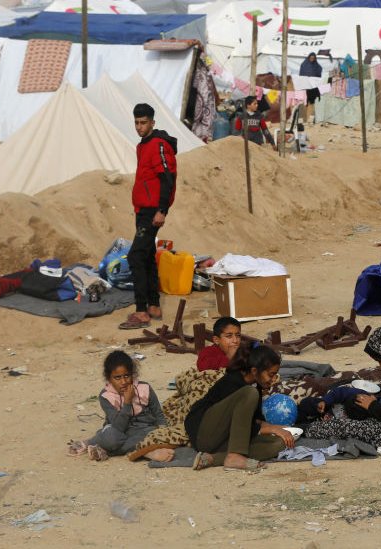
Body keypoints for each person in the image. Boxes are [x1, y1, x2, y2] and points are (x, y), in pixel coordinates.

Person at [186, 345, 295, 471]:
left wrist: (278, 429)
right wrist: (271, 428)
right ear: (254, 371)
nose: (273, 380)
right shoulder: (232, 383)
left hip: (225, 440)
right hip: (204, 434)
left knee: (280, 444)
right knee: (250, 393)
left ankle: (213, 459)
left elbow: (253, 421)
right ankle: (234, 456)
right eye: (271, 375)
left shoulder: (255, 386)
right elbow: (240, 423)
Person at [119, 104, 178, 330]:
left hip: (153, 211)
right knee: (146, 256)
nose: (139, 127)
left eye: (143, 122)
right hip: (143, 209)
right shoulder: (142, 146)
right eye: (136, 122)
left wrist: (162, 210)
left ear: (153, 122)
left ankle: (141, 310)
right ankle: (154, 305)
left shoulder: (159, 145)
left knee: (135, 256)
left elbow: (167, 178)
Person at [67, 351, 173, 461]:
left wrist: (163, 432)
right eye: (117, 378)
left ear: (133, 374)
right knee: (112, 438)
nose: (123, 382)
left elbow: (158, 413)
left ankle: (106, 450)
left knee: (156, 436)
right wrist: (127, 403)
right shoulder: (106, 396)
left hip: (144, 430)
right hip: (119, 430)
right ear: (109, 379)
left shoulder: (145, 388)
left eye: (127, 376)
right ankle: (92, 441)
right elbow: (118, 427)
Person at [299, 52, 323, 124]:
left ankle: (310, 119)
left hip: (313, 87)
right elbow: (301, 75)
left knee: (312, 103)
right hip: (305, 87)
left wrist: (313, 78)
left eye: (313, 58)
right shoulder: (304, 65)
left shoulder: (317, 66)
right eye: (311, 58)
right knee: (304, 103)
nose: (312, 59)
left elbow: (319, 74)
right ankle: (303, 119)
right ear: (308, 57)